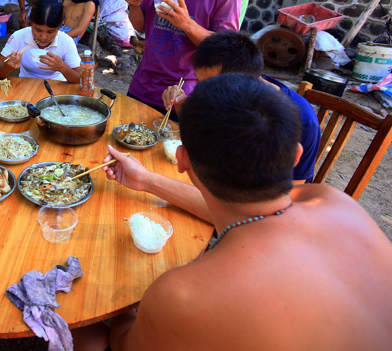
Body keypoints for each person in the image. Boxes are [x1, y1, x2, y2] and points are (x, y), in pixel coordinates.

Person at [81, 74, 392, 350]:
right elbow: (247, 212)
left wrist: (124, 309)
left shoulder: (181, 294)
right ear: (297, 155)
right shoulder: (333, 201)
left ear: (182, 159)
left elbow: (125, 344)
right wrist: (147, 180)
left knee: (89, 336)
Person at [160, 30, 319, 183]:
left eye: (210, 85)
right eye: (200, 82)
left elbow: (293, 192)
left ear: (243, 83)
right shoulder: (222, 93)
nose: (203, 91)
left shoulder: (302, 121)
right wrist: (181, 106)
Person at [0, 0, 81, 83]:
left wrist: (62, 67)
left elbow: (80, 79)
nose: (43, 37)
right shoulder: (18, 36)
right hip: (26, 87)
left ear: (59, 28)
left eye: (50, 32)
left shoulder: (66, 41)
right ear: (30, 23)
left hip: (57, 88)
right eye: (38, 30)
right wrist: (7, 68)